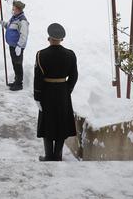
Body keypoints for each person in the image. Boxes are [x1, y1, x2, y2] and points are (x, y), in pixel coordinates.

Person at [34, 23, 78, 162]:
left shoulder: (41, 54)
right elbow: (74, 76)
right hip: (62, 93)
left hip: (47, 93)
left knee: (47, 123)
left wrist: (37, 96)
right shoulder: (70, 55)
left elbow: (38, 78)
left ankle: (48, 156)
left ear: (49, 38)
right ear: (62, 39)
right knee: (61, 123)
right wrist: (67, 90)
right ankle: (58, 155)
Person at [3, 1, 29, 91]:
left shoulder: (22, 21)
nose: (13, 10)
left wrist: (19, 46)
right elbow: (11, 28)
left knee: (18, 64)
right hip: (12, 46)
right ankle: (16, 81)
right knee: (14, 64)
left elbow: (24, 35)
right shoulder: (14, 18)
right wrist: (5, 24)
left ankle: (19, 84)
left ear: (18, 9)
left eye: (14, 8)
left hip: (17, 47)